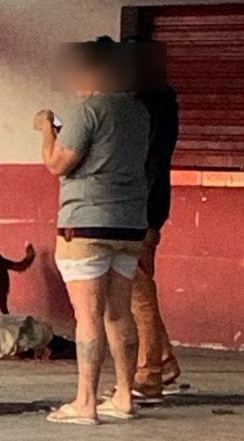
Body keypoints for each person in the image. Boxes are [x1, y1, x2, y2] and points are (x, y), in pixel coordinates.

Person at [35, 42, 150, 424]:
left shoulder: (90, 111)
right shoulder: (139, 112)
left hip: (86, 223)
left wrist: (46, 129)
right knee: (120, 314)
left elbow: (57, 164)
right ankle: (124, 396)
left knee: (88, 316)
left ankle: (85, 402)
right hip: (129, 224)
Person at [127, 35, 181, 403]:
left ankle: (150, 373)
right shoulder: (164, 102)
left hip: (139, 208)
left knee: (138, 294)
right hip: (153, 205)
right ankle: (163, 361)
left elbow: (143, 161)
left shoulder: (143, 107)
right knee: (139, 289)